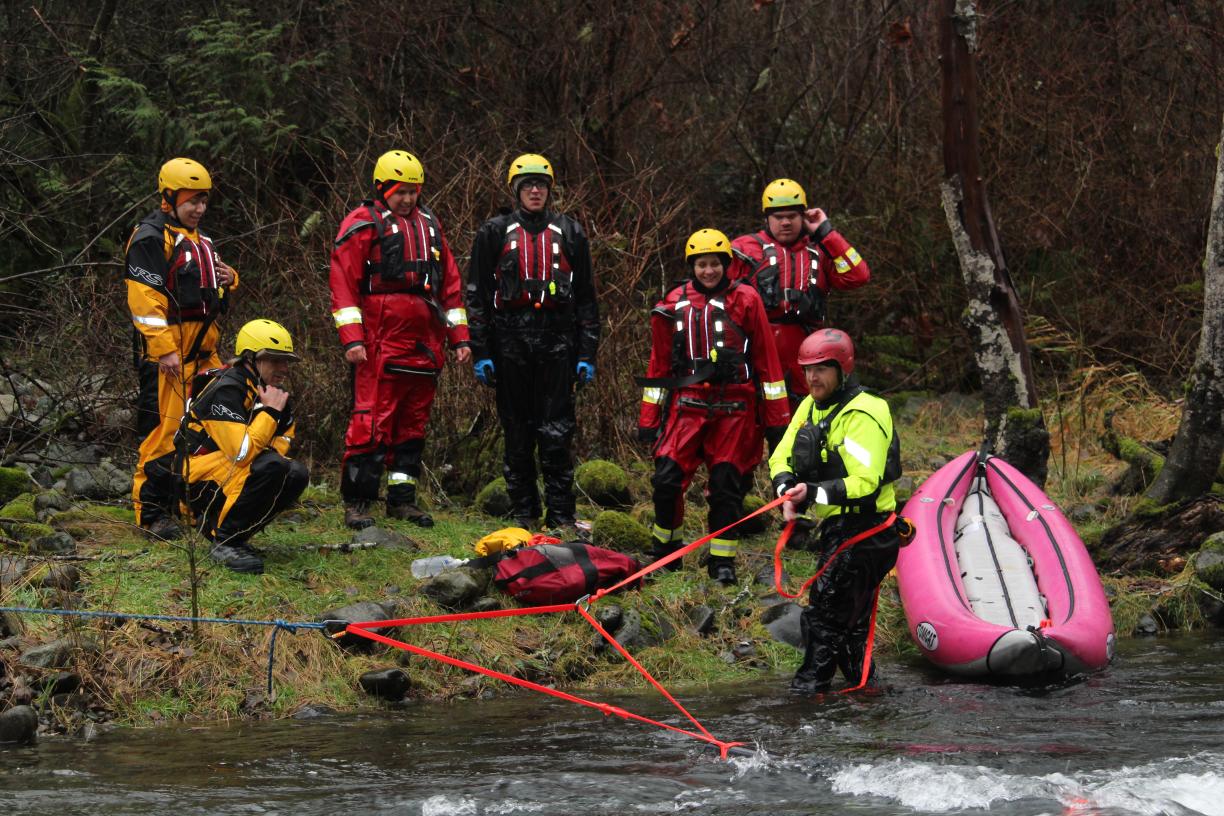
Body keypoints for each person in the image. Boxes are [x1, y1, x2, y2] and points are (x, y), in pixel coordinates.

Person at [636, 229, 790, 585]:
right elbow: (659, 364)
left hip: (736, 408)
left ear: (727, 265)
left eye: (715, 264)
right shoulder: (674, 303)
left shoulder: (747, 301)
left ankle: (722, 561)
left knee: (726, 484)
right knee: (666, 479)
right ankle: (666, 550)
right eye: (702, 265)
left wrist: (777, 420)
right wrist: (649, 419)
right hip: (686, 406)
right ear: (692, 267)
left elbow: (767, 362)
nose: (708, 271)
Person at [329, 150, 471, 530]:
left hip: (424, 344)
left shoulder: (430, 225)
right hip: (379, 343)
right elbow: (343, 284)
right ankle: (358, 503)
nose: (407, 199)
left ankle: (402, 500)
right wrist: (352, 339)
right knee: (371, 421)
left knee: (412, 424)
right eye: (400, 192)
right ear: (382, 189)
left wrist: (460, 338)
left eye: (413, 191)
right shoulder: (364, 223)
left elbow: (450, 285)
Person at [466, 153, 600, 534]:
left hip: (558, 341)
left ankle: (561, 514)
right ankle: (523, 511)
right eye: (528, 185)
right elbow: (477, 294)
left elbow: (588, 298)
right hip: (509, 341)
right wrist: (481, 351)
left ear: (550, 190)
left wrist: (587, 353)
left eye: (541, 184)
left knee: (557, 431)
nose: (535, 190)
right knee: (517, 429)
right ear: (517, 190)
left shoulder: (571, 232)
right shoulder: (494, 232)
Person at [768, 328, 902, 693]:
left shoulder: (866, 411)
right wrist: (786, 489)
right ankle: (868, 693)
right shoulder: (810, 405)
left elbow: (865, 481)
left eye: (822, 369)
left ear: (842, 369)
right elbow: (781, 454)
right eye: (808, 369)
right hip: (839, 530)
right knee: (850, 630)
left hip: (869, 531)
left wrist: (811, 492)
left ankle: (807, 695)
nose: (813, 377)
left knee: (825, 617)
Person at [126, 157, 237, 540]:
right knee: (164, 434)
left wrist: (231, 278)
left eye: (203, 201)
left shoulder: (201, 240)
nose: (199, 209)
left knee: (204, 432)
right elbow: (145, 299)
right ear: (168, 198)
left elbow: (211, 289)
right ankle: (153, 514)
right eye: (192, 201)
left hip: (205, 356)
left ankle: (193, 505)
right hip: (169, 359)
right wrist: (164, 350)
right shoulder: (151, 237)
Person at [178, 319, 309, 574]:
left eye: (287, 361)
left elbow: (283, 440)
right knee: (270, 466)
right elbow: (241, 453)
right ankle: (224, 541)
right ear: (250, 358)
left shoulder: (269, 391)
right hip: (192, 479)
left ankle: (236, 538)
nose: (284, 368)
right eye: (274, 360)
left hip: (225, 474)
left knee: (295, 474)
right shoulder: (226, 389)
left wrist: (270, 418)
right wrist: (270, 412)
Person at [729, 179, 870, 409]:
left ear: (803, 217)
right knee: (754, 422)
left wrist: (827, 232)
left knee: (806, 427)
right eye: (778, 217)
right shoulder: (744, 250)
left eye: (792, 216)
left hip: (807, 353)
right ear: (767, 218)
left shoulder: (821, 249)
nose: (785, 222)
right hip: (757, 349)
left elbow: (858, 276)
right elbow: (713, 292)